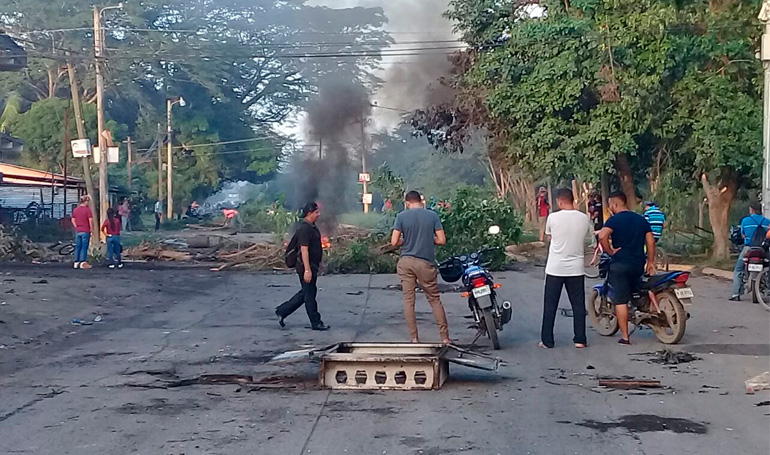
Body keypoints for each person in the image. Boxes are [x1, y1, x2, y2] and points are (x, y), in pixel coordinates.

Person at [391, 190, 451, 344]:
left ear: (407, 202)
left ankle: (414, 338)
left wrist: (405, 241)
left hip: (406, 262)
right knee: (434, 300)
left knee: (409, 300)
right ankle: (444, 338)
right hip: (425, 263)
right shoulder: (432, 216)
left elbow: (394, 242)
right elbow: (442, 240)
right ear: (421, 201)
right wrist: (428, 239)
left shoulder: (401, 216)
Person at [598, 191, 655, 345]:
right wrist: (650, 261)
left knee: (621, 300)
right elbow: (650, 241)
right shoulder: (640, 219)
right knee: (637, 288)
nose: (609, 207)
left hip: (620, 264)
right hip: (637, 263)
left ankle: (625, 337)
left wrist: (609, 251)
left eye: (610, 205)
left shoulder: (614, 220)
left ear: (615, 204)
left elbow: (602, 236)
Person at [539, 188, 594, 349]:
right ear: (572, 200)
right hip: (576, 268)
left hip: (555, 268)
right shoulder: (584, 218)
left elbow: (550, 237)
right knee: (578, 305)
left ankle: (547, 340)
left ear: (560, 201)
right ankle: (580, 339)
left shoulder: (553, 217)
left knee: (550, 305)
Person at [275, 202, 330, 331]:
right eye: (316, 212)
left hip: (312, 266)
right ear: (309, 213)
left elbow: (315, 248)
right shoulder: (305, 229)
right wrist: (307, 270)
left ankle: (282, 311)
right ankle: (316, 322)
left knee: (306, 292)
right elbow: (304, 250)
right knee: (310, 295)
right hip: (305, 267)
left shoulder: (312, 227)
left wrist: (319, 264)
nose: (319, 214)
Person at [730, 203, 770, 301]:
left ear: (751, 210)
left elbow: (743, 235)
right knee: (768, 268)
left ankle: (736, 294)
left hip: (749, 248)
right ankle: (768, 288)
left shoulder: (745, 221)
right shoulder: (767, 221)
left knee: (738, 269)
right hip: (763, 249)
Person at [71, 195, 93, 270]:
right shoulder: (87, 210)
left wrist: (76, 227)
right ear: (86, 201)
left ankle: (76, 262)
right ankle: (83, 262)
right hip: (85, 230)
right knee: (84, 247)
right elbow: (90, 221)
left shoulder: (75, 210)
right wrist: (91, 229)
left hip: (78, 230)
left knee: (78, 246)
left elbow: (73, 219)